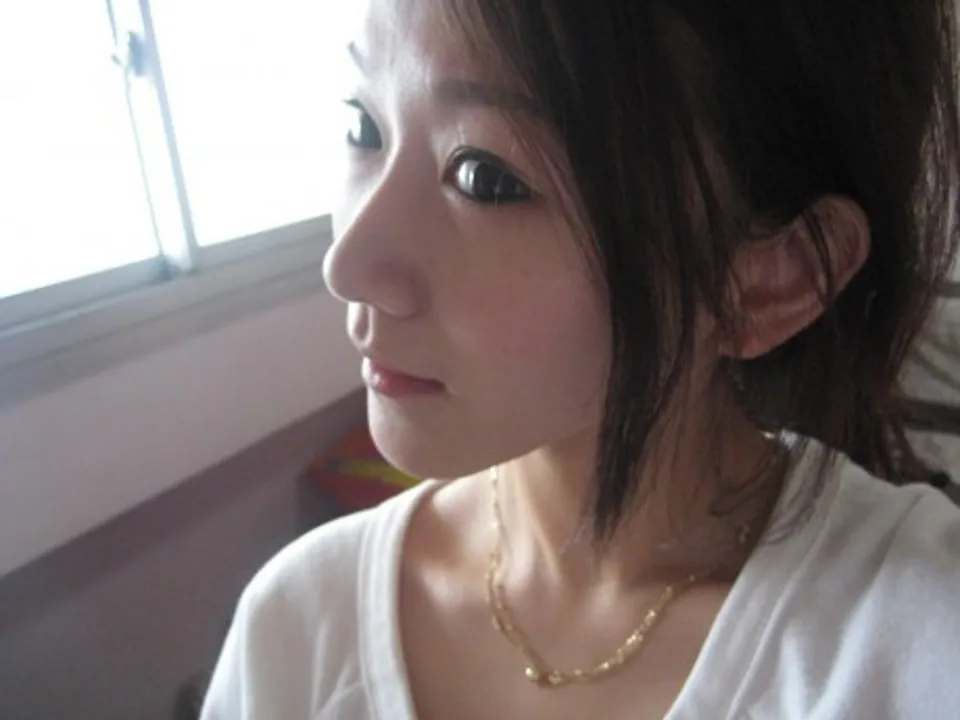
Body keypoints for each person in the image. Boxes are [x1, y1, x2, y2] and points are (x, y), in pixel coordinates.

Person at [200, 0, 960, 718]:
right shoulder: (300, 628)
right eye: (364, 125)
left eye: (486, 177)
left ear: (770, 280)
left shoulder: (917, 648)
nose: (349, 264)